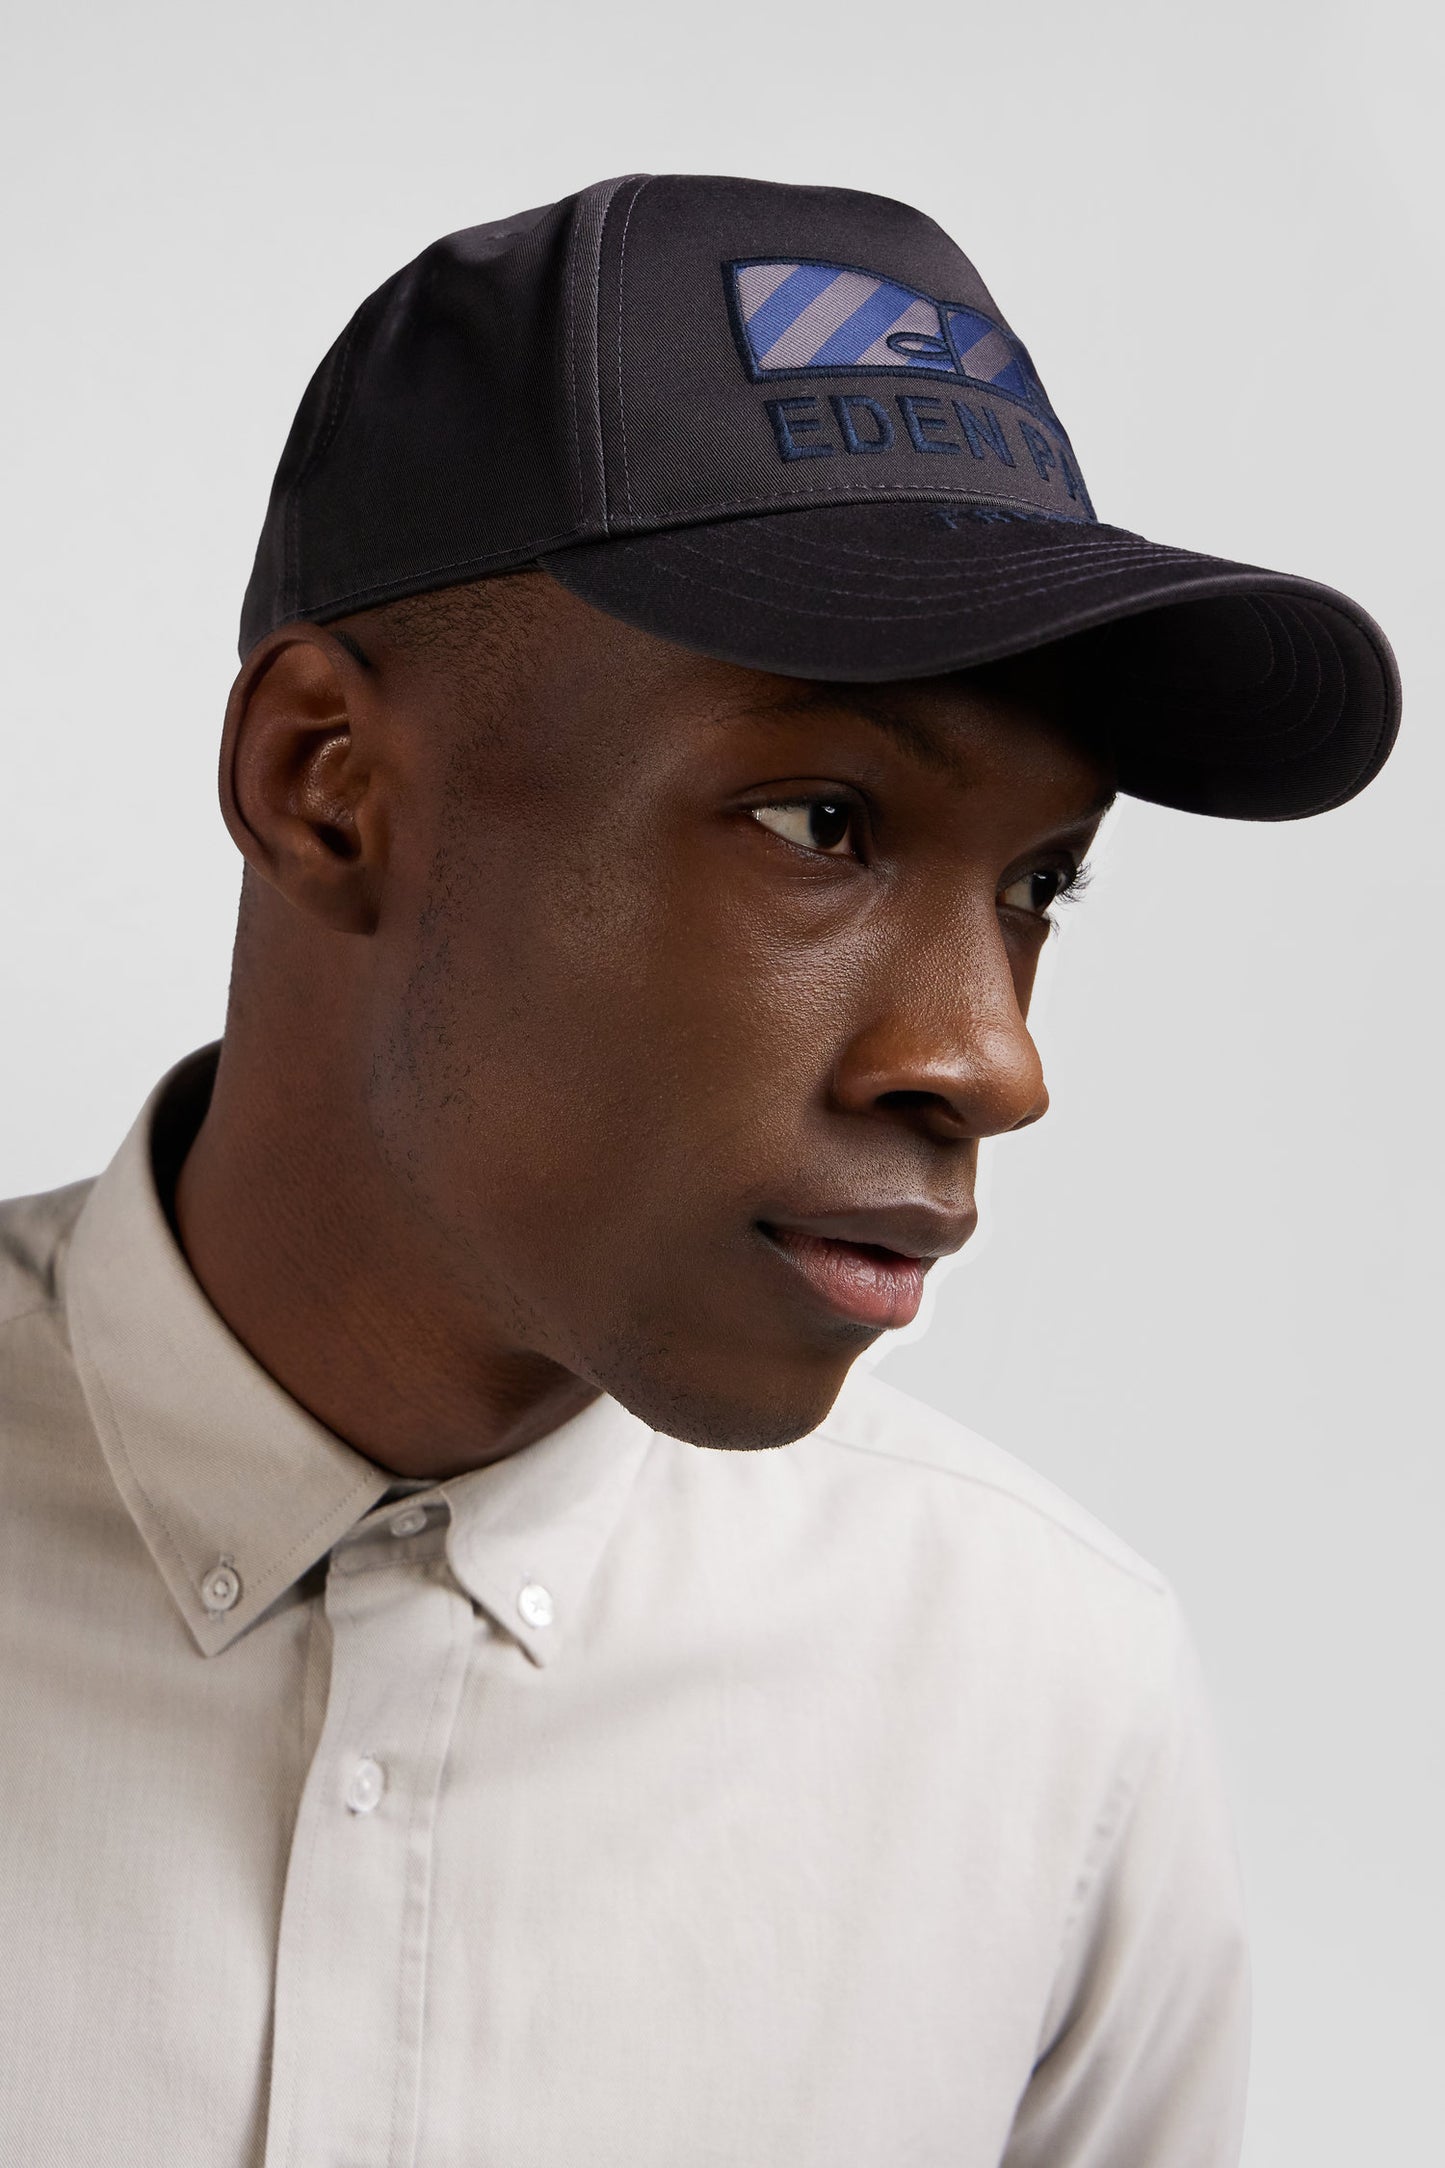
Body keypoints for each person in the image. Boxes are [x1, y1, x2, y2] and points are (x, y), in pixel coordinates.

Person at [0, 174, 1400, 2167]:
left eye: (1039, 884)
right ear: (330, 789)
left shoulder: (1045, 1717)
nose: (993, 1059)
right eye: (823, 816)